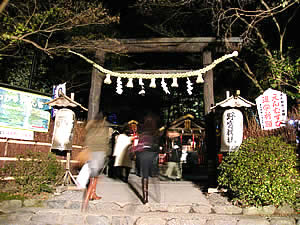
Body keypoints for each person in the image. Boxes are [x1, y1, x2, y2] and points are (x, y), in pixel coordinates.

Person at [81, 112, 111, 211]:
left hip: (90, 151)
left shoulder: (90, 125)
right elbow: (106, 140)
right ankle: (86, 201)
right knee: (94, 176)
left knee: (93, 175)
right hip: (100, 151)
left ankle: (93, 194)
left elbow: (86, 138)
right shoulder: (104, 126)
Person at [135, 114, 160, 204]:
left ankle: (145, 197)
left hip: (142, 153)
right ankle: (154, 174)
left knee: (144, 176)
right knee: (152, 173)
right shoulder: (155, 131)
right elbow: (157, 144)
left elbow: (138, 142)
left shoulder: (141, 130)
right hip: (152, 153)